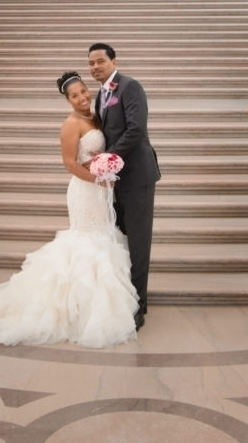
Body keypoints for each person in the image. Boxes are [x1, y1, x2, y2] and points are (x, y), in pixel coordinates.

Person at [0, 71, 138, 348]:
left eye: (83, 91)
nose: (82, 98)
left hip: (100, 189)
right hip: (84, 190)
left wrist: (105, 169)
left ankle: (96, 304)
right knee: (86, 240)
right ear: (67, 100)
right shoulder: (70, 124)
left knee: (103, 237)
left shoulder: (95, 117)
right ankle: (78, 309)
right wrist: (97, 180)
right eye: (74, 95)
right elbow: (69, 162)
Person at [89, 43, 160, 330]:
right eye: (90, 63)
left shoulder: (130, 87)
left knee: (139, 243)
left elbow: (136, 129)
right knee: (122, 241)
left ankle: (139, 306)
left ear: (113, 61)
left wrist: (108, 158)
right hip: (117, 180)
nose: (95, 67)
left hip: (137, 176)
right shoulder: (101, 94)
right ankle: (126, 294)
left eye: (100, 62)